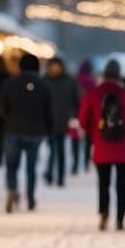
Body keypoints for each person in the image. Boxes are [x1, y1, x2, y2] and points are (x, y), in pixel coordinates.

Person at [79, 60, 125, 231]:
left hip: (102, 147)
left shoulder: (93, 94)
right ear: (119, 75)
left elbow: (82, 121)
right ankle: (120, 219)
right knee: (121, 186)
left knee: (103, 183)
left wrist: (94, 134)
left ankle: (103, 214)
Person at [0, 53, 53, 212]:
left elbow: (3, 108)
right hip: (35, 131)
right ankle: (30, 197)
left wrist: (7, 121)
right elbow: (48, 111)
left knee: (11, 166)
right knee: (31, 168)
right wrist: (49, 130)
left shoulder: (10, 83)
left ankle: (12, 191)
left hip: (13, 129)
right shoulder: (44, 85)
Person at [44, 57, 82, 188]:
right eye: (52, 67)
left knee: (59, 150)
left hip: (63, 121)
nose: (54, 69)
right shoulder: (44, 80)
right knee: (52, 149)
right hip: (47, 121)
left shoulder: (69, 81)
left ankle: (59, 176)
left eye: (56, 67)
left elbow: (77, 101)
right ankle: (49, 173)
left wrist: (75, 117)